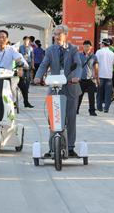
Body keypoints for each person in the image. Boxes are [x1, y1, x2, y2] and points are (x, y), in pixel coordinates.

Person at [34, 25, 82, 157]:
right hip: (55, 88)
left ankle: (70, 147)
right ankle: (52, 148)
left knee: (71, 118)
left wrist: (76, 77)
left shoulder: (73, 49)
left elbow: (78, 65)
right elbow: (44, 64)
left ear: (66, 35)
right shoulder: (50, 50)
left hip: (71, 87)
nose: (56, 37)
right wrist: (38, 76)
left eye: (59, 34)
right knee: (53, 119)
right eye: (54, 34)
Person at [0, 29, 28, 104]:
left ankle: (13, 102)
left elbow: (19, 59)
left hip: (6, 76)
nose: (1, 39)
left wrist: (20, 67)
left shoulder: (12, 50)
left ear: (7, 40)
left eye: (4, 37)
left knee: (12, 88)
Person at [77, 40, 98, 116]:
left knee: (92, 96)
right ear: (83, 46)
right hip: (81, 79)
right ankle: (76, 109)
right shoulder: (78, 55)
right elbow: (76, 66)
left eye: (88, 46)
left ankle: (92, 111)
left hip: (91, 79)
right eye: (85, 46)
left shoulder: (94, 57)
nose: (86, 48)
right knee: (79, 95)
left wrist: (97, 78)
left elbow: (96, 68)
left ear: (91, 47)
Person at [95, 38, 114, 113]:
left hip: (100, 75)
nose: (100, 45)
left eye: (101, 44)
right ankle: (106, 108)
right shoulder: (112, 53)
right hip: (109, 76)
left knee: (99, 92)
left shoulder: (98, 52)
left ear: (103, 44)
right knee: (108, 93)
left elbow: (95, 63)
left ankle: (99, 107)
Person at [18, 36, 35, 108]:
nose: (26, 42)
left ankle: (26, 101)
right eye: (25, 40)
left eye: (28, 40)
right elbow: (18, 57)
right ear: (23, 40)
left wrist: (33, 65)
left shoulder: (31, 48)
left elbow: (32, 57)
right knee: (21, 83)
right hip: (21, 66)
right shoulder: (20, 47)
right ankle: (16, 102)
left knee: (27, 81)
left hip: (28, 65)